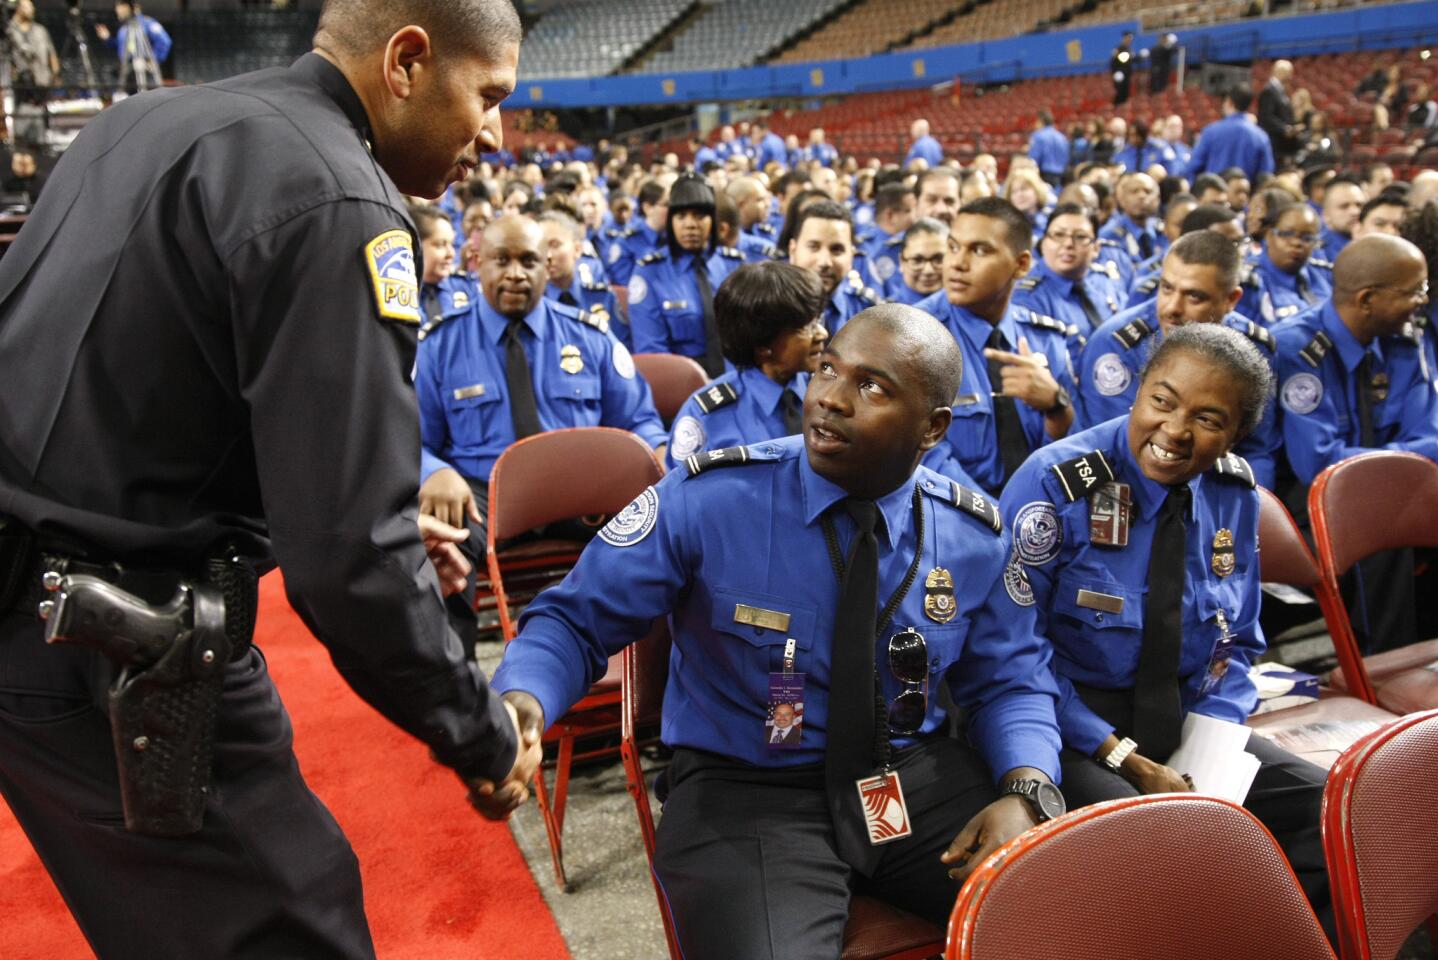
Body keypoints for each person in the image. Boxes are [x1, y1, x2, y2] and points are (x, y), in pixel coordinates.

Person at [0, 2, 543, 955]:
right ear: (409, 61)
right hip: (121, 644)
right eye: (489, 94)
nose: (494, 133)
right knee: (287, 929)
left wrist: (310, 504)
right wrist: (480, 732)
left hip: (34, 619)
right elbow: (352, 566)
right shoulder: (344, 198)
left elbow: (128, 386)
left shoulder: (140, 120)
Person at [493, 304, 1066, 960]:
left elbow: (1012, 681)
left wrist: (1026, 789)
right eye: (826, 370)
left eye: (871, 387)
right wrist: (525, 701)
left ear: (933, 427)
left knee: (1070, 907)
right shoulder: (711, 499)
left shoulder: (972, 536)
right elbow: (574, 619)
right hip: (750, 790)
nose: (829, 399)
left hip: (904, 777)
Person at [1001, 323, 1332, 936]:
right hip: (1068, 724)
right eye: (1163, 401)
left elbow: (1238, 641)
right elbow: (1014, 658)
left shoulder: (1233, 492)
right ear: (1138, 391)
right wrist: (1123, 754)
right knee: (1156, 843)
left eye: (1208, 419)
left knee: (1326, 805)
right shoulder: (1055, 485)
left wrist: (1216, 737)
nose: (1175, 431)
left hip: (1183, 719)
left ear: (1237, 434)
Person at [417, 214, 666, 644]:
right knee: (436, 544)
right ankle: (456, 690)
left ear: (547, 267)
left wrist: (657, 454)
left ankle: (645, 680)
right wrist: (431, 471)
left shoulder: (591, 337)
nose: (515, 273)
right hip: (483, 493)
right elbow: (412, 441)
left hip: (583, 494)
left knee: (666, 533)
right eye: (502, 260)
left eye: (528, 260)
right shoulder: (440, 345)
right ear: (477, 263)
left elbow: (639, 419)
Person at [1273, 235, 1434, 653]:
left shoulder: (1400, 341)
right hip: (1306, 503)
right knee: (1382, 525)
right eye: (1415, 290)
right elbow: (1321, 465)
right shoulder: (1298, 350)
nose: (1424, 299)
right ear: (1367, 299)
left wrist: (1398, 466)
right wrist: (1403, 463)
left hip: (1397, 485)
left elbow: (1429, 433)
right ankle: (1384, 663)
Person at [1077, 230, 1281, 488]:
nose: (1171, 308)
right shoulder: (1116, 344)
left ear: (1231, 299)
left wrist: (1247, 509)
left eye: (1194, 296)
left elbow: (1258, 450)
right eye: (1166, 288)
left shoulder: (1254, 350)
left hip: (1219, 488)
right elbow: (1115, 450)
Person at [917, 198, 1077, 495]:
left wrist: (1057, 409)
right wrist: (999, 517)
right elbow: (924, 456)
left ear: (1021, 264)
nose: (957, 263)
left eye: (979, 250)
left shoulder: (1045, 339)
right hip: (951, 521)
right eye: (953, 247)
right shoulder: (916, 336)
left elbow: (1073, 452)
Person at [666, 261, 827, 468]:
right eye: (805, 328)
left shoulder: (828, 392)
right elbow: (684, 497)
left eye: (817, 321)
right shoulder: (706, 417)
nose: (822, 334)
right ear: (762, 346)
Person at [628, 173, 745, 374]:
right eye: (681, 216)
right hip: (683, 386)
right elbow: (654, 356)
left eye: (700, 216)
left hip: (740, 378)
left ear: (713, 221)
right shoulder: (649, 273)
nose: (690, 224)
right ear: (670, 221)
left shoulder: (735, 266)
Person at [1012, 203, 1123, 371]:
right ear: (1042, 243)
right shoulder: (1027, 298)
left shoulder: (1104, 281)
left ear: (1096, 248)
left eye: (1080, 237)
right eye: (1058, 235)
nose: (1068, 244)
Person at [789, 199, 880, 335]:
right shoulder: (769, 308)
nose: (825, 262)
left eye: (836, 249)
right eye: (813, 247)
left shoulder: (867, 310)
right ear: (793, 250)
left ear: (852, 256)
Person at [538, 209, 626, 346]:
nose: (547, 255)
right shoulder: (534, 303)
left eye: (555, 245)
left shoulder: (601, 296)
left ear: (577, 249)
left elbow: (623, 349)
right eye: (540, 247)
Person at [1240, 204, 1333, 326]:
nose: (1296, 243)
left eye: (1307, 238)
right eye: (1287, 234)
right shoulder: (1250, 282)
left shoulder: (1321, 273)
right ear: (1269, 235)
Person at [1186, 84, 1275, 183]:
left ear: (1229, 102)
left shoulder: (1211, 131)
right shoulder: (1261, 137)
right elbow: (1266, 175)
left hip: (1214, 193)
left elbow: (1193, 167)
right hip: (1245, 194)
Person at [5, 0, 59, 145]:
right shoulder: (9, 32)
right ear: (18, 8)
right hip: (20, 94)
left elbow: (52, 55)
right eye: (28, 6)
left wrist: (54, 75)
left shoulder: (41, 30)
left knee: (40, 141)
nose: (32, 9)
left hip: (41, 91)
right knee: (20, 140)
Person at [607, 173, 674, 288]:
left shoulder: (673, 238)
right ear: (648, 208)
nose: (673, 210)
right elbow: (624, 288)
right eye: (666, 205)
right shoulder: (626, 242)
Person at [1099, 172, 1164, 289]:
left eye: (1148, 191)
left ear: (1158, 199)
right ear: (1122, 200)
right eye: (1134, 191)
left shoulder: (1164, 231)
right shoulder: (1109, 235)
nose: (1141, 196)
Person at [95, 1, 172, 91]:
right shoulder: (123, 29)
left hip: (145, 74)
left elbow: (164, 41)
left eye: (121, 5)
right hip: (128, 75)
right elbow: (122, 49)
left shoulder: (147, 23)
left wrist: (153, 60)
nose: (117, 10)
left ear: (132, 7)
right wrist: (107, 39)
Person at [885, 218, 948, 306]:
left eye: (938, 260)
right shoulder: (885, 316)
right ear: (901, 262)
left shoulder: (970, 310)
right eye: (917, 260)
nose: (928, 271)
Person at [1257, 60, 1301, 164]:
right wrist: (1284, 129)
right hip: (1275, 144)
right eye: (1289, 72)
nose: (1291, 76)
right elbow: (1266, 117)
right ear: (1281, 72)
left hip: (1283, 145)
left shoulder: (1280, 90)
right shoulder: (1269, 91)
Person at [1318, 176, 1366, 264]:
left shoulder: (1374, 243)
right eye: (1344, 206)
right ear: (1326, 216)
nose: (1355, 212)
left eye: (1359, 205)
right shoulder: (1319, 252)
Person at [1028, 110, 1069, 188]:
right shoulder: (1062, 137)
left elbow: (1033, 159)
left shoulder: (1038, 136)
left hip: (1044, 174)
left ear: (1041, 121)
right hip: (1061, 175)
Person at [1110, 31, 1135, 106]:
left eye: (1130, 38)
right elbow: (1115, 61)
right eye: (1128, 38)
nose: (1130, 40)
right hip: (1120, 73)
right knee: (1120, 92)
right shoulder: (1119, 48)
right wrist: (1116, 72)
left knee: (1125, 92)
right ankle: (1117, 106)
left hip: (1127, 74)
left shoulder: (1129, 49)